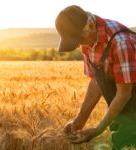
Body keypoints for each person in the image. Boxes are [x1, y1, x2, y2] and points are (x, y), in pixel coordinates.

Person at [55, 5, 136, 150]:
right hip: (124, 109)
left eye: (80, 40)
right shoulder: (88, 38)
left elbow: (124, 94)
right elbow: (96, 81)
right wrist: (80, 119)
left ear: (91, 26)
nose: (80, 45)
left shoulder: (121, 43)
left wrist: (98, 130)